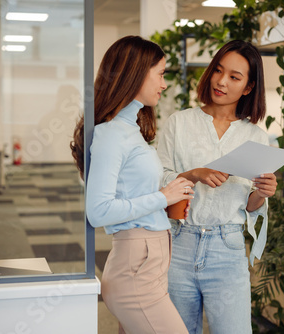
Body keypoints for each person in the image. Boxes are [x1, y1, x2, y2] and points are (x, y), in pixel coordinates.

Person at [71, 35, 193, 334]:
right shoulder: (112, 133)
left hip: (147, 265)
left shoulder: (130, 128)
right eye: (161, 74)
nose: (164, 84)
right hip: (136, 270)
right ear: (136, 72)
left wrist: (166, 203)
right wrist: (163, 198)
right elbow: (98, 212)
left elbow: (131, 193)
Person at [157, 40, 277, 333]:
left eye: (234, 77)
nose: (221, 81)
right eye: (218, 71)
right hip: (179, 244)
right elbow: (158, 181)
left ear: (248, 87)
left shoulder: (256, 138)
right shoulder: (179, 123)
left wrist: (261, 193)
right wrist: (194, 174)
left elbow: (249, 206)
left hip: (227, 249)